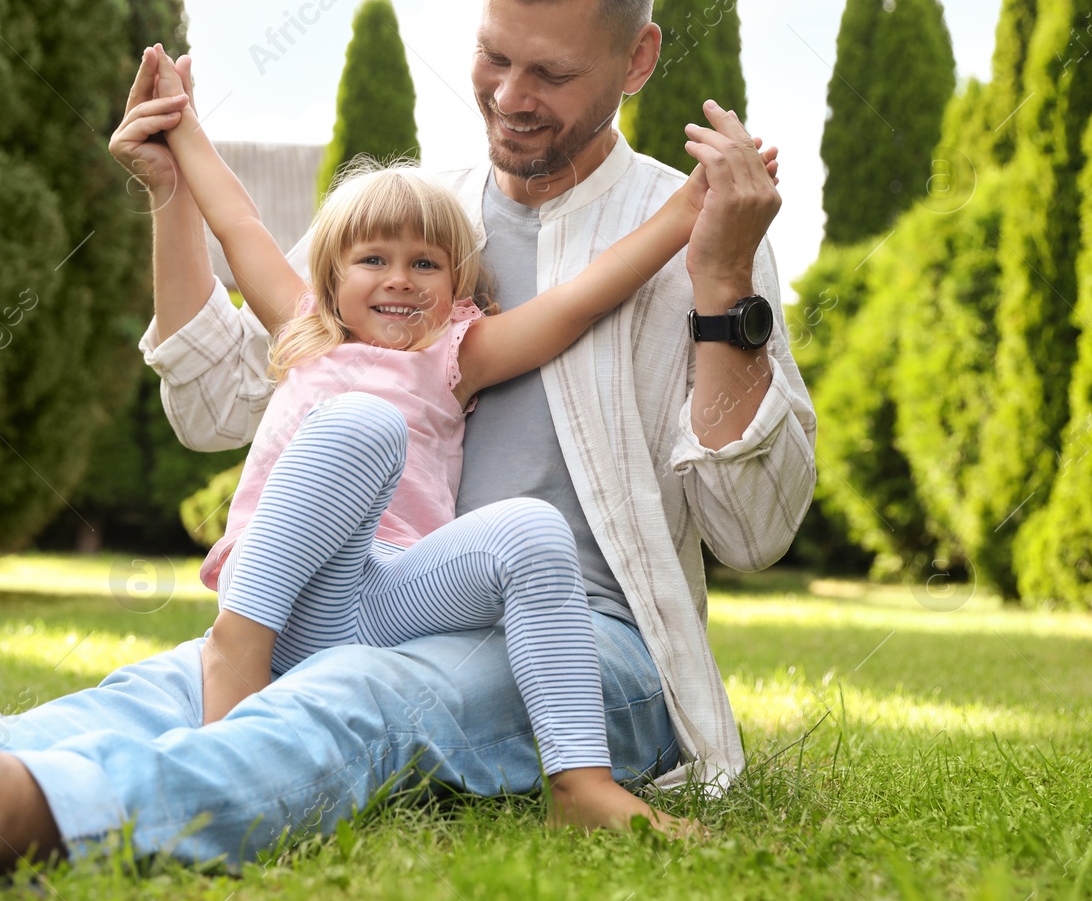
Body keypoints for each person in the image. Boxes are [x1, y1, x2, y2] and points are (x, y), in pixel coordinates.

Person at [0, 0, 814, 885]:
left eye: (549, 73)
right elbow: (227, 404)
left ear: (640, 58)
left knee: (358, 689)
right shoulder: (422, 221)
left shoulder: (703, 231)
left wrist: (716, 277)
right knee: (187, 674)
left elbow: (753, 531)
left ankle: (2, 811)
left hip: (599, 649)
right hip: (382, 590)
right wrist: (169, 191)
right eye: (491, 56)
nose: (508, 95)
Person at [146, 46, 774, 836]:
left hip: (386, 601)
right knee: (360, 426)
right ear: (332, 280)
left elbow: (578, 300)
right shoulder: (307, 332)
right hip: (289, 598)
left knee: (532, 530)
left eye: (426, 264)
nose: (400, 278)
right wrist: (183, 129)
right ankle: (232, 650)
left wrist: (686, 212)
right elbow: (236, 220)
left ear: (457, 286)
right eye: (373, 259)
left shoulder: (458, 356)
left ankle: (580, 784)